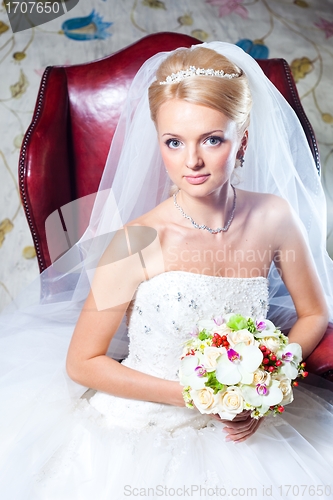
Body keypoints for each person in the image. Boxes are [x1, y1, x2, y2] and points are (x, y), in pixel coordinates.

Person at [0, 41, 333, 500]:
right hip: (139, 427)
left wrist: (266, 384)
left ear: (244, 139)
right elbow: (82, 362)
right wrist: (203, 398)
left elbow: (314, 313)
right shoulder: (137, 239)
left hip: (246, 425)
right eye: (174, 142)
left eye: (212, 139)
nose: (191, 161)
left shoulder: (275, 217)